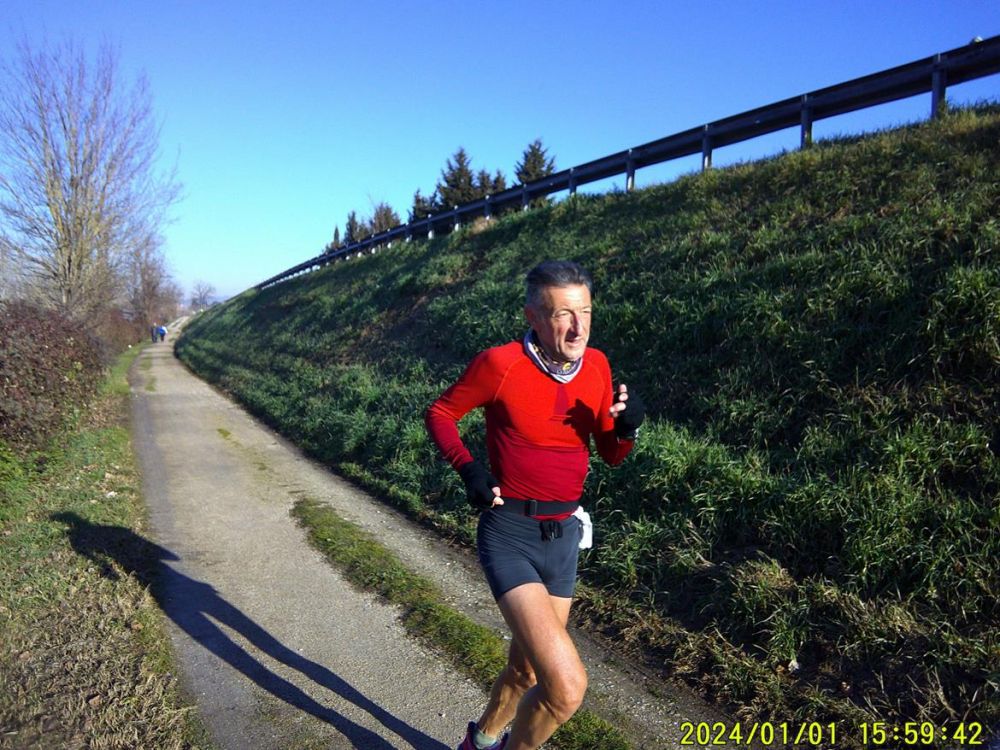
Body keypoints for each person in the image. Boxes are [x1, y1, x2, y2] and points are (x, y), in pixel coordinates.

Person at [425, 260, 644, 750]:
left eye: (585, 312)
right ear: (533, 317)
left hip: (563, 537)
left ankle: (480, 742)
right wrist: (468, 468)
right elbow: (440, 412)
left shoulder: (598, 366)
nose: (579, 327)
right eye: (563, 314)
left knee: (525, 669)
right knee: (565, 689)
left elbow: (611, 454)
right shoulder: (500, 365)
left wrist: (628, 428)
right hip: (510, 533)